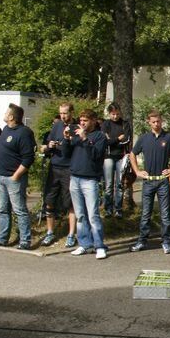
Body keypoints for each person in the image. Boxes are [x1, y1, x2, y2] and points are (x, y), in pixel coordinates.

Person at [129, 110, 170, 254]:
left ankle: (166, 241)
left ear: (162, 121)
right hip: (147, 182)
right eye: (153, 122)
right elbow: (132, 154)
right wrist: (137, 171)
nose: (156, 124)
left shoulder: (169, 137)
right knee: (145, 214)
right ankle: (142, 241)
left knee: (165, 214)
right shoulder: (144, 138)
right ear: (149, 122)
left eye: (158, 121)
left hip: (162, 182)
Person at [0, 104, 36, 250]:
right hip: (0, 177)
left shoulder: (24, 133)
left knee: (19, 210)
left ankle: (25, 240)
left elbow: (28, 158)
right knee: (2, 209)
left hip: (14, 178)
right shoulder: (6, 129)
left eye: (7, 112)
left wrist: (16, 175)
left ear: (12, 117)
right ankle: (2, 238)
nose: (5, 114)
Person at [65, 109, 109, 259]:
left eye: (85, 120)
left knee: (93, 215)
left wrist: (85, 139)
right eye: (81, 120)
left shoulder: (100, 137)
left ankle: (99, 246)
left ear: (93, 121)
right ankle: (84, 244)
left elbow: (96, 155)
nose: (82, 123)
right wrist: (66, 139)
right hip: (75, 177)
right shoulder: (77, 134)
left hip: (90, 179)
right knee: (80, 215)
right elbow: (66, 153)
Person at [40, 103, 79, 248]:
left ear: (72, 113)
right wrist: (48, 145)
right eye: (61, 113)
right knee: (49, 200)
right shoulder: (56, 126)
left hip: (69, 168)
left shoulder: (76, 128)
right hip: (54, 166)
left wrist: (69, 139)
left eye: (65, 113)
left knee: (69, 203)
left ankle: (71, 234)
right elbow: (46, 144)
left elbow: (78, 147)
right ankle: (50, 232)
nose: (63, 116)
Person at [100, 102, 131, 218]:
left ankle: (118, 209)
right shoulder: (106, 124)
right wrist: (117, 139)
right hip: (108, 156)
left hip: (121, 156)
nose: (115, 116)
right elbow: (105, 141)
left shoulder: (125, 124)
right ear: (109, 114)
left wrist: (113, 140)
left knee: (119, 184)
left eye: (117, 114)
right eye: (113, 114)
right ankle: (108, 209)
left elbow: (127, 139)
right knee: (108, 185)